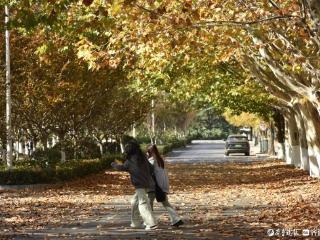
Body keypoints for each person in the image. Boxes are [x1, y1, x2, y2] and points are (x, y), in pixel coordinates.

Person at [111, 140, 157, 230]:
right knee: (134, 202)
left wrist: (113, 164)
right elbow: (151, 168)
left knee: (142, 203)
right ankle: (135, 223)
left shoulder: (130, 160)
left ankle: (151, 223)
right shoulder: (142, 157)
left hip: (139, 184)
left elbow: (122, 167)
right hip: (147, 183)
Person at [146, 144, 184, 227]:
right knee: (165, 203)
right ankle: (176, 219)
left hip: (155, 185)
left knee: (149, 203)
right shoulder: (160, 159)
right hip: (162, 184)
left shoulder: (151, 160)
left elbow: (148, 171)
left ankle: (150, 221)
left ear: (149, 152)